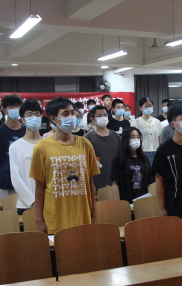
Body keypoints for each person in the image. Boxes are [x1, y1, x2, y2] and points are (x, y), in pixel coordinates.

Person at [29, 97, 100, 234]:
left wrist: (94, 214)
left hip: (82, 218)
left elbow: (90, 183)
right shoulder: (41, 148)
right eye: (65, 114)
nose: (71, 117)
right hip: (55, 220)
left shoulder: (85, 144)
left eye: (73, 113)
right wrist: (39, 220)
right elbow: (39, 187)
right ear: (53, 118)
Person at [9, 100, 43, 215]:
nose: (34, 117)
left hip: (49, 203)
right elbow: (16, 179)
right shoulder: (15, 147)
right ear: (22, 119)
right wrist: (32, 202)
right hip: (25, 205)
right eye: (29, 114)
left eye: (37, 114)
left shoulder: (49, 144)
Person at [0, 94, 26, 202]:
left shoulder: (27, 130)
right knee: (4, 209)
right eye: (11, 107)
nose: (15, 109)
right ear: (5, 110)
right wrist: (3, 172)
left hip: (25, 180)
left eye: (17, 106)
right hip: (5, 181)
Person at [111, 127, 155, 203]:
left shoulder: (144, 158)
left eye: (138, 137)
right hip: (126, 202)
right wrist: (118, 204)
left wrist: (149, 201)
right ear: (125, 139)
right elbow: (115, 184)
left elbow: (149, 183)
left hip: (143, 201)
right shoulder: (118, 159)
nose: (136, 139)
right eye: (132, 137)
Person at [84, 106, 121, 190]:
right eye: (99, 116)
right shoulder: (87, 138)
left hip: (115, 180)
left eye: (105, 115)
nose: (103, 117)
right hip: (96, 181)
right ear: (93, 119)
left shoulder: (116, 136)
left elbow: (121, 158)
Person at [131, 97, 162, 165]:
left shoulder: (157, 122)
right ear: (140, 107)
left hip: (156, 152)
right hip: (142, 152)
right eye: (146, 106)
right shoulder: (136, 122)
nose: (148, 108)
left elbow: (159, 137)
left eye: (150, 106)